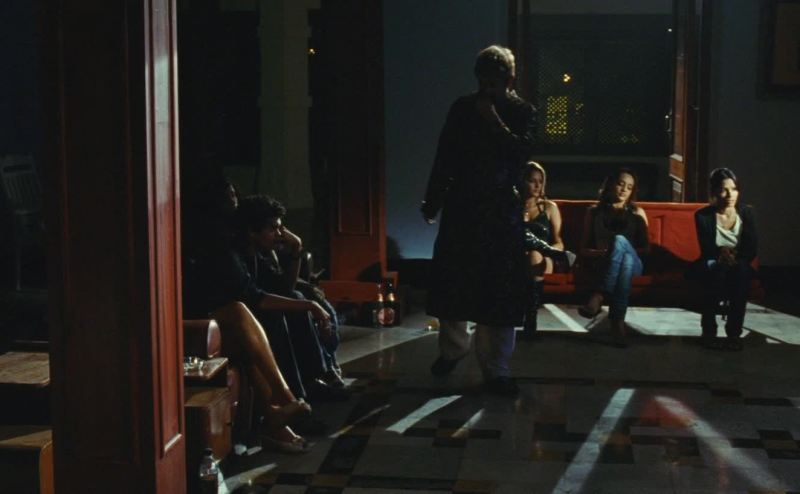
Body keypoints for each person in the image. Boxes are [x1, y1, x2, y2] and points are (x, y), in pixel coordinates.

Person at [421, 45, 536, 395]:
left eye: (495, 81)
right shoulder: (462, 108)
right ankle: (453, 349)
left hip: (501, 211)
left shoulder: (522, 111)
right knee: (454, 283)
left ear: (510, 80)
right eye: (483, 80)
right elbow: (446, 155)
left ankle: (496, 368)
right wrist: (434, 200)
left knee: (498, 291)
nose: (488, 88)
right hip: (464, 207)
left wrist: (494, 122)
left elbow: (522, 155)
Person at [577, 169, 649, 348]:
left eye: (629, 187)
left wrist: (618, 249)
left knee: (620, 242)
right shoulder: (594, 213)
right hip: (605, 264)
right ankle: (617, 325)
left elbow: (646, 249)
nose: (624, 190)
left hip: (637, 265)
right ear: (610, 185)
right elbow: (583, 250)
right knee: (625, 262)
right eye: (620, 184)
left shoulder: (637, 213)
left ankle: (599, 295)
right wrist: (607, 254)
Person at [691, 168, 757, 351]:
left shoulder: (747, 213)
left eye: (734, 189)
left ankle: (734, 333)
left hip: (739, 260)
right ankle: (709, 331)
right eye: (723, 190)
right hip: (713, 259)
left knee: (741, 272)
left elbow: (751, 247)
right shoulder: (703, 215)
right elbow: (706, 248)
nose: (730, 195)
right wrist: (722, 252)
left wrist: (735, 256)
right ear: (714, 192)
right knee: (715, 270)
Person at [518, 161, 572, 340]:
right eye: (532, 181)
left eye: (540, 181)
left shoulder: (549, 207)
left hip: (544, 259)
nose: (537, 185)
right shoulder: (512, 206)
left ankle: (530, 319)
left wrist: (551, 250)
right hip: (516, 258)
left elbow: (559, 242)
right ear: (522, 181)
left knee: (534, 255)